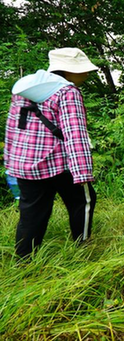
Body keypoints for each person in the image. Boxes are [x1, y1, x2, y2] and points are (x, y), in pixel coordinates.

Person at [4, 47, 98, 258]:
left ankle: (24, 260)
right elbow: (75, 134)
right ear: (68, 71)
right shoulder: (67, 92)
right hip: (59, 163)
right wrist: (82, 174)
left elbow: (12, 128)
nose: (86, 74)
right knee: (83, 201)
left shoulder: (23, 88)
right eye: (83, 70)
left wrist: (10, 165)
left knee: (32, 213)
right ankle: (82, 247)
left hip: (25, 164)